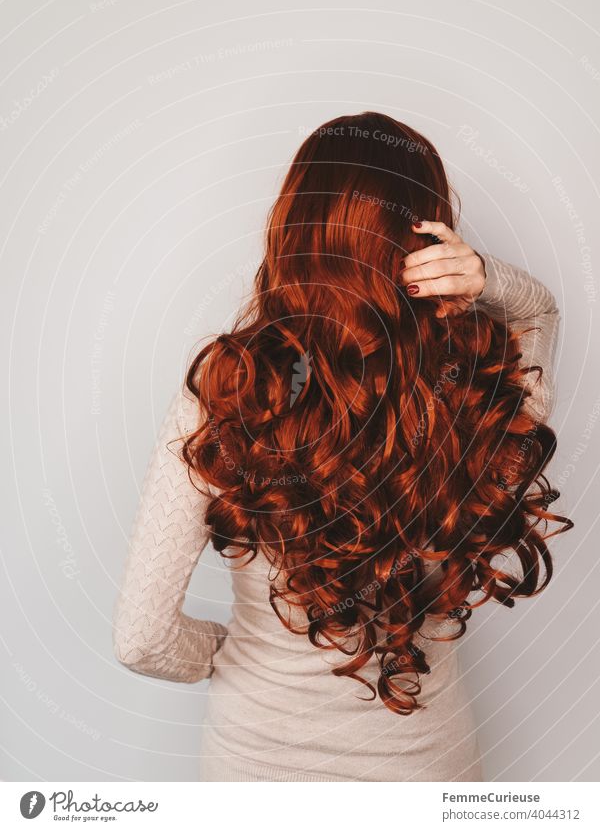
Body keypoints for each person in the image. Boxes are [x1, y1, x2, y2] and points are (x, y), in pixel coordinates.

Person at [112, 112, 572, 782]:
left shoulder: (229, 391)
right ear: (427, 236)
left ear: (291, 232)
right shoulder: (479, 384)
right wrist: (487, 278)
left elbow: (142, 639)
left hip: (254, 779)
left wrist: (233, 653)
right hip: (428, 774)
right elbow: (539, 315)